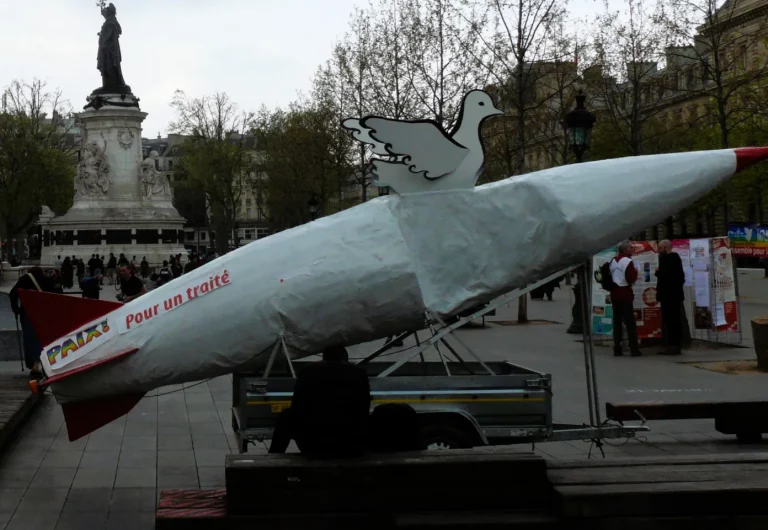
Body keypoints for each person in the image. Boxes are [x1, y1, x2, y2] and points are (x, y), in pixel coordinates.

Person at [270, 346, 371, 457]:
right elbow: (364, 406)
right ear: (345, 358)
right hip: (349, 438)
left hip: (312, 438)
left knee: (286, 416)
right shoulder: (358, 373)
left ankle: (274, 455)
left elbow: (297, 404)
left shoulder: (308, 371)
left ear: (324, 357)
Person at [9, 267, 58, 377]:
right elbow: (55, 296)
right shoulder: (47, 280)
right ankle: (43, 364)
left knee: (31, 339)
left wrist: (16, 309)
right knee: (43, 339)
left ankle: (35, 364)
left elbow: (12, 294)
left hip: (28, 313)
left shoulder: (24, 280)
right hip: (44, 314)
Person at [609, 240, 642, 357]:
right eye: (630, 247)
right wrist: (636, 273)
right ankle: (634, 348)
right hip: (625, 292)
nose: (632, 249)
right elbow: (631, 278)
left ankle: (617, 347)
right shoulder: (627, 261)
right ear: (625, 249)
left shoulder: (613, 261)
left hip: (614, 292)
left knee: (617, 321)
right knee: (629, 322)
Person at [656, 240, 685, 355]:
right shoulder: (674, 259)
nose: (658, 250)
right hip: (673, 295)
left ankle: (673, 345)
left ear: (666, 247)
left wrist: (658, 272)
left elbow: (665, 275)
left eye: (660, 248)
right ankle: (673, 345)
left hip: (669, 295)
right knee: (672, 320)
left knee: (671, 321)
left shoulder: (669, 259)